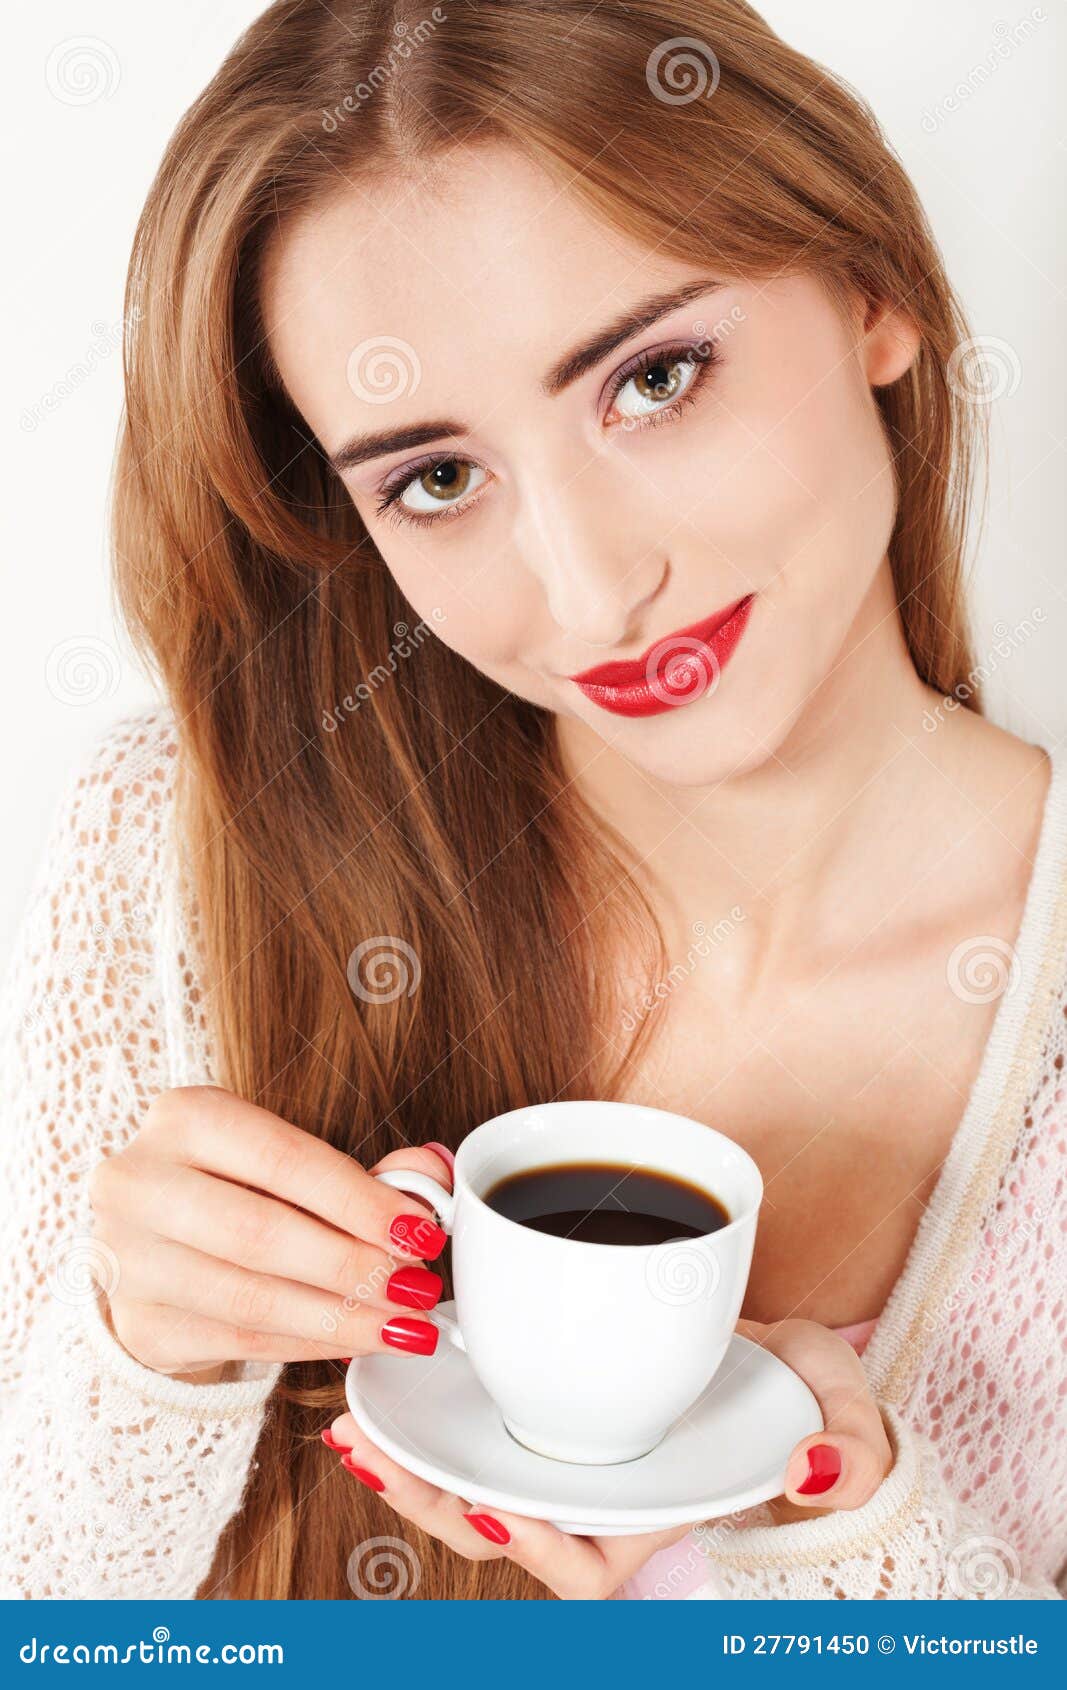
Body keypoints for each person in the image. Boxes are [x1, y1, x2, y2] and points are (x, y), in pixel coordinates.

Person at [2, 0, 1064, 1601]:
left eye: (654, 378)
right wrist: (142, 1358)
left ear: (875, 294)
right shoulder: (182, 859)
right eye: (436, 478)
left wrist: (857, 1552)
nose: (591, 588)